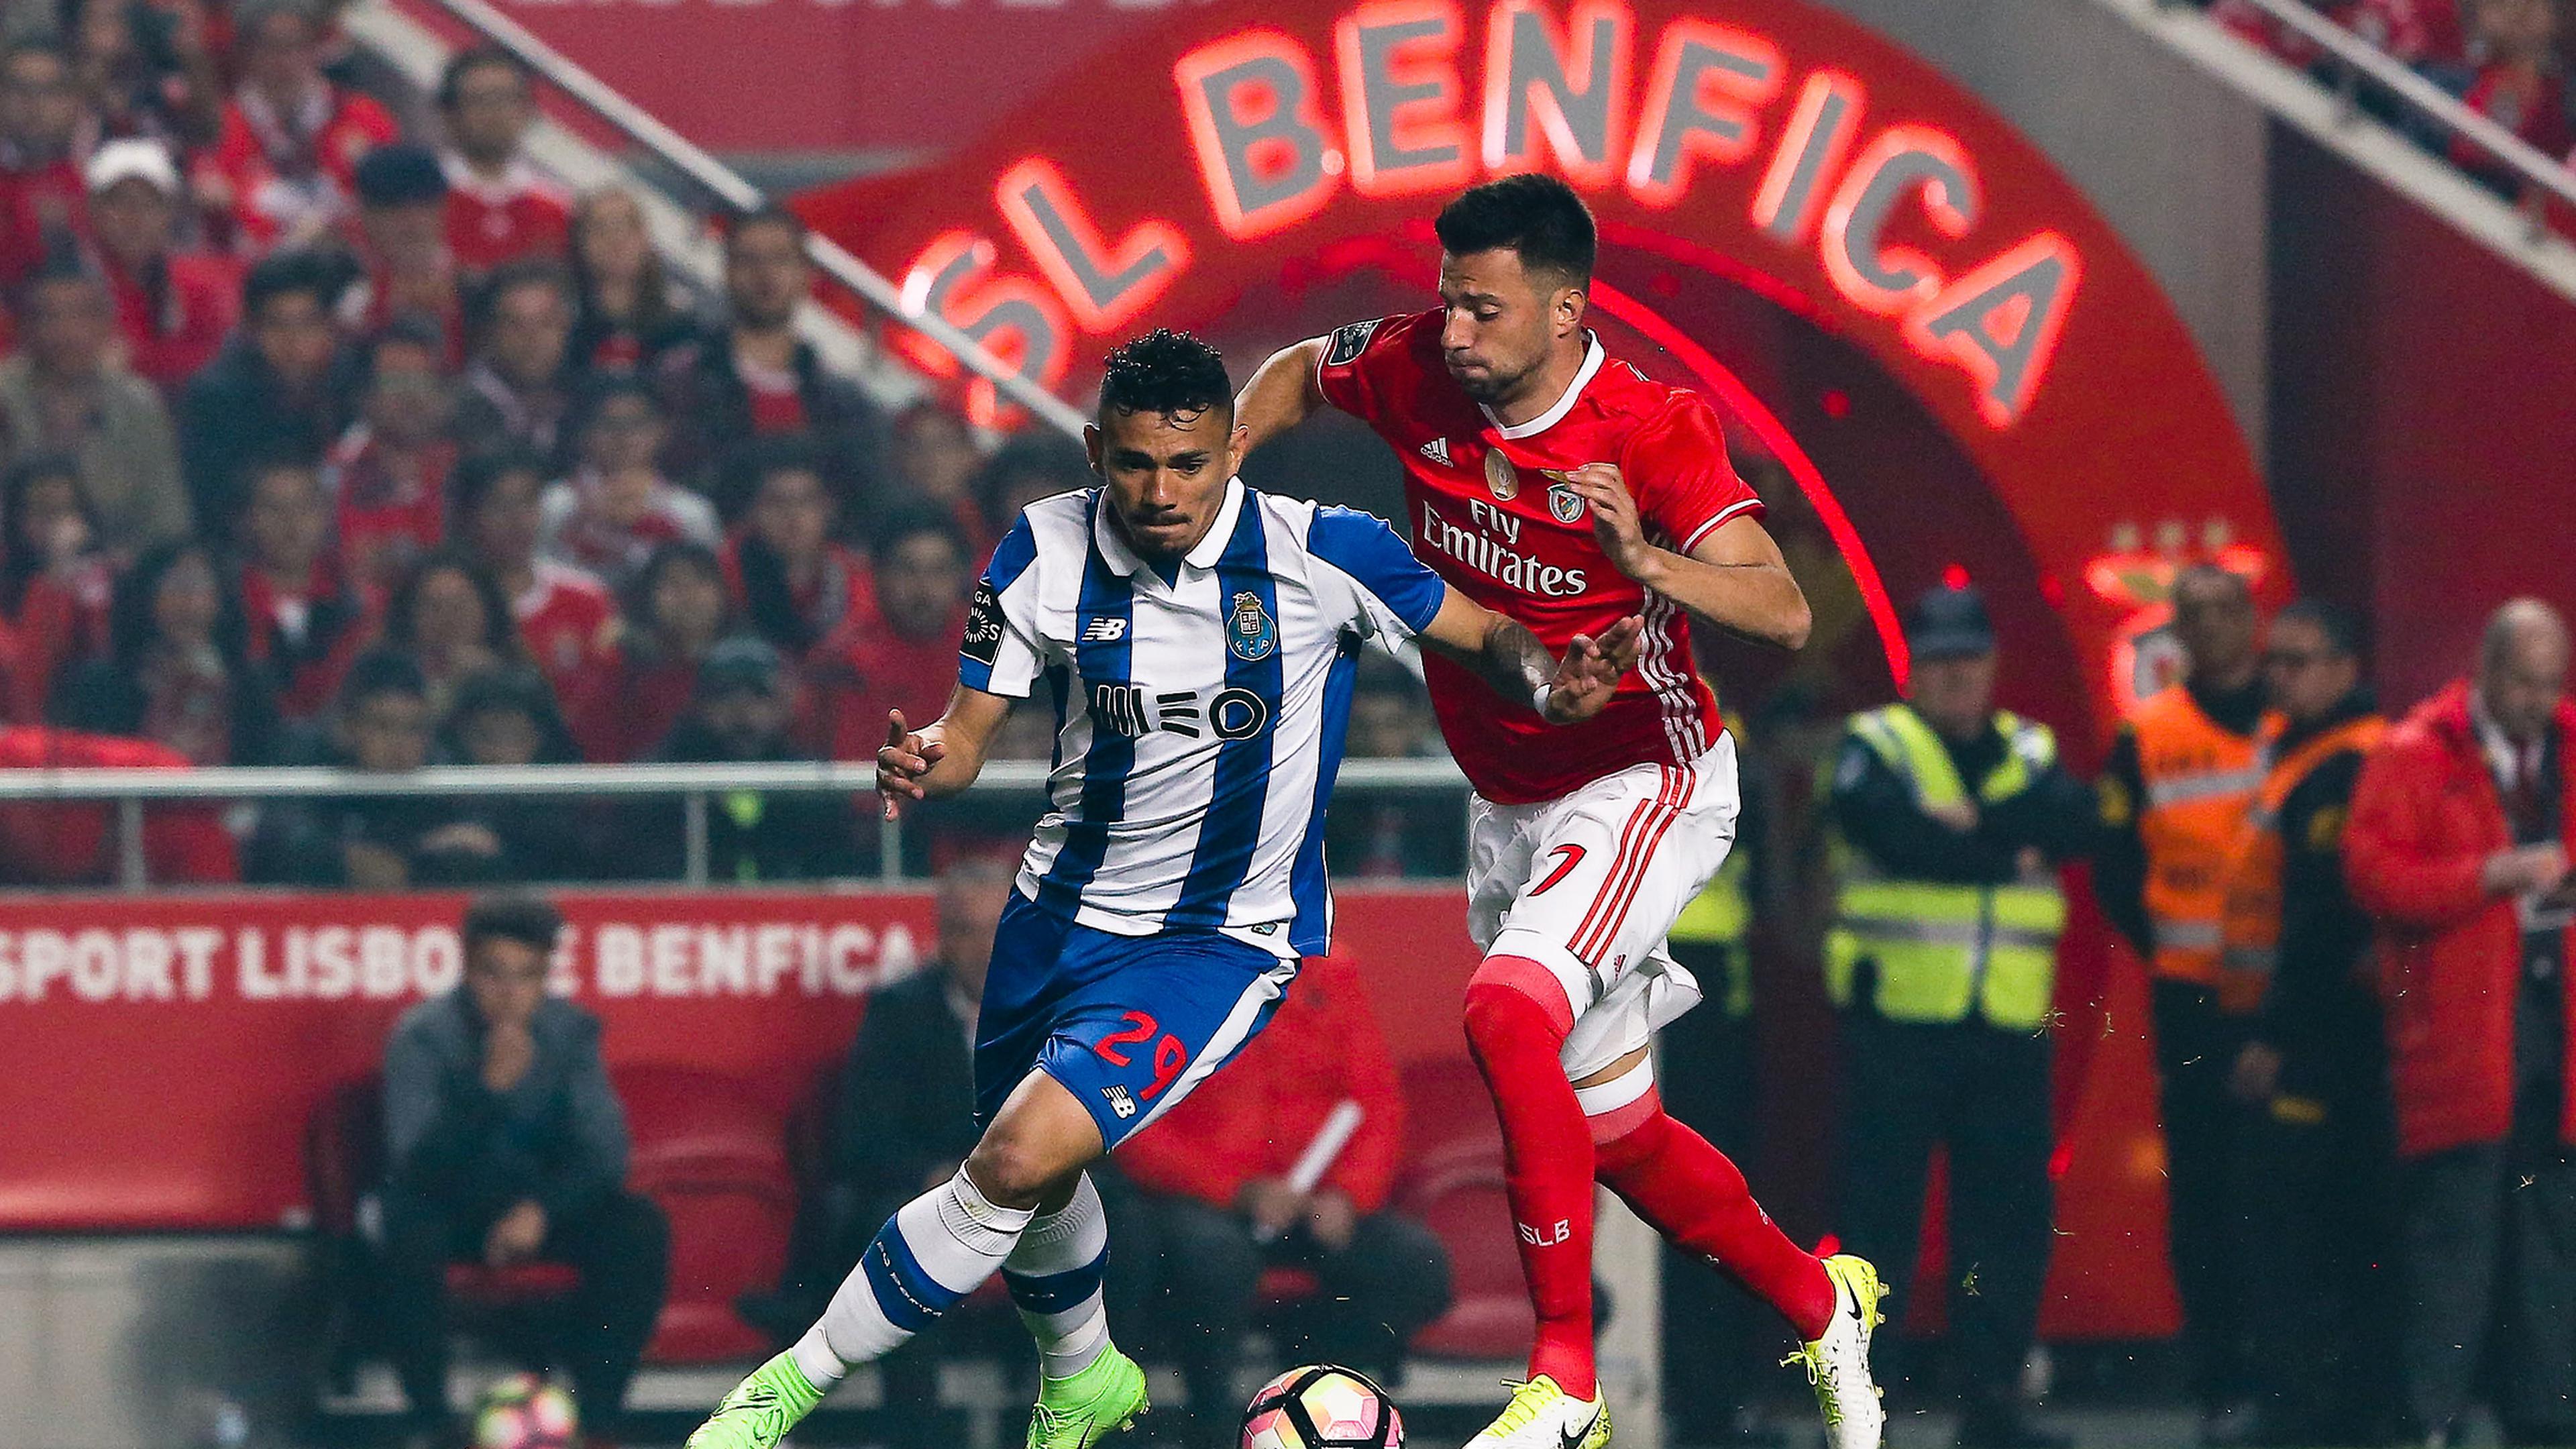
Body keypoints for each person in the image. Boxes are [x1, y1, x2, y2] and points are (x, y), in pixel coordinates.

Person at [682, 328, 1636, 1449]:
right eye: (1135, 464)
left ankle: (776, 1396)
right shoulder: (1037, 552)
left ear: (1233, 450)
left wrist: (1555, 683)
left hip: (1216, 941)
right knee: (1026, 1184)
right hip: (1052, 919)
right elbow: (974, 733)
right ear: (1096, 449)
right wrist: (931, 757)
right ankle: (1082, 1376)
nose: (1162, 490)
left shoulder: (1326, 553)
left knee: (1013, 1160)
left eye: (1188, 464)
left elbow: (1488, 638)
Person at [1232, 173, 1878, 1449]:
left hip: (1646, 776)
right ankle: (1824, 1304)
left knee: (1503, 1010)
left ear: (1568, 311)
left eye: (1484, 308)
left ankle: (1566, 1380)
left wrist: (1648, 564)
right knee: (1620, 1136)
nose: (1456, 331)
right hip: (1513, 793)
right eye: (1448, 302)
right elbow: (1307, 364)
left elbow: (1784, 611)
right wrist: (1231, 458)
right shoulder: (1419, 366)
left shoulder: (1652, 425)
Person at [1823, 586, 2094, 1449]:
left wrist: (1973, 826)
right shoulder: (1876, 746)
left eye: (1968, 661)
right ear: (1914, 674)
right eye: (1939, 662)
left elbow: (2078, 821)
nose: (1955, 677)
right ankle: (1866, 1411)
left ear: (1990, 669)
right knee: (1877, 1229)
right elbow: (1895, 837)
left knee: (2006, 1227)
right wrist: (2006, 845)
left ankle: (1994, 1409)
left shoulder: (2029, 746)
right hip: (1897, 1022)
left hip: (2004, 1029)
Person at [2345, 598, 2576, 1446]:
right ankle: (2429, 1421)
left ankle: (2549, 1417)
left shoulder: (2569, 747)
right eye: (2523, 682)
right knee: (2455, 1243)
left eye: (2552, 684)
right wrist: (2491, 876)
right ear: (2484, 670)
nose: (2538, 702)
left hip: (2558, 1035)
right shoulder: (2414, 755)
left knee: (2555, 1236)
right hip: (2463, 1035)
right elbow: (2377, 875)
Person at [1104, 951, 1452, 1443]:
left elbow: (1376, 1101)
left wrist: (1347, 1196)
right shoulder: (1163, 974)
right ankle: (1212, 1426)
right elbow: (1134, 1121)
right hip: (1204, 1202)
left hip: (1317, 1203)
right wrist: (1236, 1190)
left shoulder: (1328, 973)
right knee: (1211, 1259)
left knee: (1415, 1262)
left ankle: (1317, 1398)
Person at [737, 851, 1024, 1430]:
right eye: (967, 933)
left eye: (999, 931)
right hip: (932, 1200)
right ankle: (919, 1436)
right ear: (942, 940)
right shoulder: (900, 1013)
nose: (986, 950)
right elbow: (862, 1139)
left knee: (1123, 1222)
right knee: (906, 1238)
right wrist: (937, 1178)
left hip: (1030, 1202)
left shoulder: (1053, 1009)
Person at [2092, 562, 2274, 1442]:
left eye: (2220, 612)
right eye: (2189, 617)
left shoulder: (2298, 719)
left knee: (2299, 1186)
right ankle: (2225, 1379)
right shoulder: (2151, 733)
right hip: (2196, 997)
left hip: (2296, 992)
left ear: (2252, 618)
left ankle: (2296, 1374)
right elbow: (2116, 867)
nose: (2207, 630)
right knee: (2206, 1193)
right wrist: (2171, 940)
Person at [378, 892, 669, 1442]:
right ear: (466, 967)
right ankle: (432, 1423)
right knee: (403, 1228)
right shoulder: (421, 1037)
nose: (510, 995)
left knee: (637, 1226)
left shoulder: (571, 1034)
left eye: (527, 977)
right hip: (451, 1207)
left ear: (545, 976)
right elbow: (413, 1162)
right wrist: (484, 1090)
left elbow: (606, 1154)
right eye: (494, 975)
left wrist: (541, 1209)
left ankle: (598, 1420)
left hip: (537, 1208)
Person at [2212, 599, 2396, 1444]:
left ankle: (2313, 1412)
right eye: (2273, 660)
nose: (2277, 677)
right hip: (2299, 1025)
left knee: (2305, 1228)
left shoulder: (2346, 765)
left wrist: (2275, 1038)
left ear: (2343, 669)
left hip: (2323, 1040)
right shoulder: (2304, 755)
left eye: (2298, 662)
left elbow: (2324, 920)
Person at [655, 205, 881, 492]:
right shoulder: (680, 380)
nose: (765, 274)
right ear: (727, 271)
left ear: (806, 276)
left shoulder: (842, 403)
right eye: (749, 260)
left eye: (780, 259)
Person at [617, 636, 861, 883]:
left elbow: (830, 869)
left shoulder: (811, 789)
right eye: (726, 694)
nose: (742, 711)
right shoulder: (659, 784)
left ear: (782, 706)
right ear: (701, 706)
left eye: (758, 696)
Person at [247, 649, 499, 887]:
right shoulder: (306, 759)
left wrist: (427, 854)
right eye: (383, 725)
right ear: (347, 727)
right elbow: (279, 837)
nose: (399, 743)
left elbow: (477, 832)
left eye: (413, 728)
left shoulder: (441, 771)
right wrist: (341, 860)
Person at [0, 260, 190, 556]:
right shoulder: (4, 397)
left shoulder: (139, 406)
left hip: (121, 581)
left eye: (82, 315)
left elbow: (168, 524)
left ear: (107, 323)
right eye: (49, 316)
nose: (66, 331)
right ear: (25, 327)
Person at [48, 537, 285, 765]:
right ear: (148, 597)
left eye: (198, 588)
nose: (187, 603)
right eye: (174, 587)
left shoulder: (251, 682)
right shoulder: (105, 682)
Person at [177, 248, 358, 534]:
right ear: (250, 330)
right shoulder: (217, 399)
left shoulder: (349, 379)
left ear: (330, 327)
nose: (293, 342)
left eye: (308, 324)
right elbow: (214, 505)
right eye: (276, 325)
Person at [195, 0, 398, 252]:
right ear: (248, 52)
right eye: (271, 47)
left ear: (314, 47)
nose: (285, 60)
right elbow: (216, 204)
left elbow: (396, 203)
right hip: (263, 270)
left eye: (295, 45)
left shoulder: (362, 116)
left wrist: (372, 169)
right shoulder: (223, 126)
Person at [809, 507, 970, 763]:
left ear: (961, 577)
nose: (923, 588)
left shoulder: (987, 653)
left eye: (939, 570)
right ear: (878, 575)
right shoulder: (843, 661)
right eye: (907, 569)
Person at [451, 447, 614, 700]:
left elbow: (606, 688)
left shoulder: (584, 595)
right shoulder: (444, 598)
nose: (517, 519)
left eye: (528, 502)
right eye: (499, 505)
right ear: (468, 515)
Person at [85, 138, 239, 392]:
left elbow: (219, 359)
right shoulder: (74, 286)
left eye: (149, 203)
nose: (134, 216)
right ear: (94, 210)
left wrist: (137, 360)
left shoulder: (198, 283)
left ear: (170, 212)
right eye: (119, 202)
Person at [539, 375, 718, 587]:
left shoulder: (692, 512)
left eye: (637, 424)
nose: (624, 437)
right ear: (582, 432)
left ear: (662, 430)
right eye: (607, 424)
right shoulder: (553, 504)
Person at [323, 316, 458, 590]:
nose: (412, 397)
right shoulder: (334, 477)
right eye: (395, 382)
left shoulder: (463, 470)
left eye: (424, 381)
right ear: (365, 397)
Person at [567, 539, 727, 763]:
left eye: (700, 582)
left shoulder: (747, 664)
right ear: (649, 595)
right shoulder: (622, 672)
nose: (688, 596)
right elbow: (597, 743)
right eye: (672, 584)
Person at [234, 454, 370, 718]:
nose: (291, 521)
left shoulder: (357, 603)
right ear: (246, 519)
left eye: (304, 507)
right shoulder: (227, 603)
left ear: (325, 515)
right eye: (274, 508)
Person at [439, 664, 594, 881]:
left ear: (539, 740)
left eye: (514, 738)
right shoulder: (437, 796)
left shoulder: (564, 807)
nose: (499, 753)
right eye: (485, 736)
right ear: (462, 738)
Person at [722, 438, 865, 659]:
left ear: (828, 508)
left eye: (806, 501)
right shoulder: (724, 572)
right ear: (752, 511)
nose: (792, 514)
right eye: (776, 502)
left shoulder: (855, 573)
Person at [435, 47, 570, 275]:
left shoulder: (557, 209)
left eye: (505, 99)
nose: (494, 113)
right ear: (450, 113)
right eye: (479, 99)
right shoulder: (425, 200)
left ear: (528, 110)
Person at [455, 259, 580, 470]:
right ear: (490, 331)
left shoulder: (585, 406)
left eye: (546, 323)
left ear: (567, 329)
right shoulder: (455, 410)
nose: (531, 338)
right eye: (513, 324)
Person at [344, 143, 461, 363]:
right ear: (365, 215)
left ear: (443, 208)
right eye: (393, 208)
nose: (413, 223)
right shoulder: (349, 295)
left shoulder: (473, 283)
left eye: (424, 205)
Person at [566, 186, 696, 375]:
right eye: (600, 228)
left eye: (627, 227)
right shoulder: (564, 324)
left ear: (646, 238)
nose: (616, 240)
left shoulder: (680, 324)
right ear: (581, 241)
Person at [380, 548, 524, 716]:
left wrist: (492, 680)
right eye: (433, 606)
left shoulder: (519, 675)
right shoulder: (384, 677)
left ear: (488, 610)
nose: (447, 619)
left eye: (459, 606)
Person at [0, 40, 92, 290]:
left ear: (72, 102)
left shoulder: (98, 185)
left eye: (49, 91)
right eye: (20, 90)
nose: (34, 103)